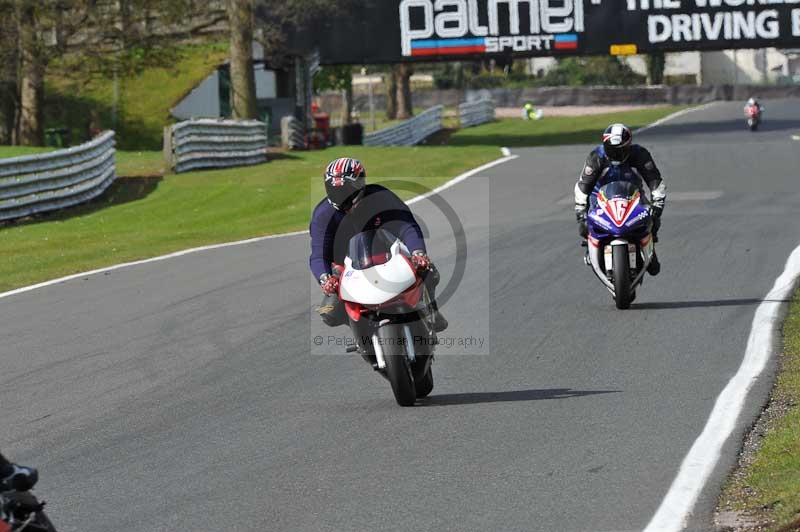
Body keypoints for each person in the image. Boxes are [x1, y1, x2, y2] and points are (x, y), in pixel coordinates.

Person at [309, 157, 448, 332]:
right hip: (347, 268)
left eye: (346, 189)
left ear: (360, 185)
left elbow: (406, 225)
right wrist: (325, 278)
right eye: (334, 190)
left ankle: (430, 309)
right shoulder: (323, 215)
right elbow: (318, 254)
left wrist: (418, 252)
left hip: (388, 255)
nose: (340, 196)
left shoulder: (380, 197)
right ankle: (361, 332)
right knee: (328, 312)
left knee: (428, 271)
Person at [574, 123, 667, 276]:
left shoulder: (640, 155)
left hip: (633, 197)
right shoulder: (596, 157)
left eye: (620, 150)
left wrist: (657, 203)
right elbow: (583, 186)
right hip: (600, 200)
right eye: (611, 150)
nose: (615, 155)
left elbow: (655, 181)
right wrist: (580, 212)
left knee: (653, 219)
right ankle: (591, 249)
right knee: (584, 226)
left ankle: (649, 246)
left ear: (628, 146)